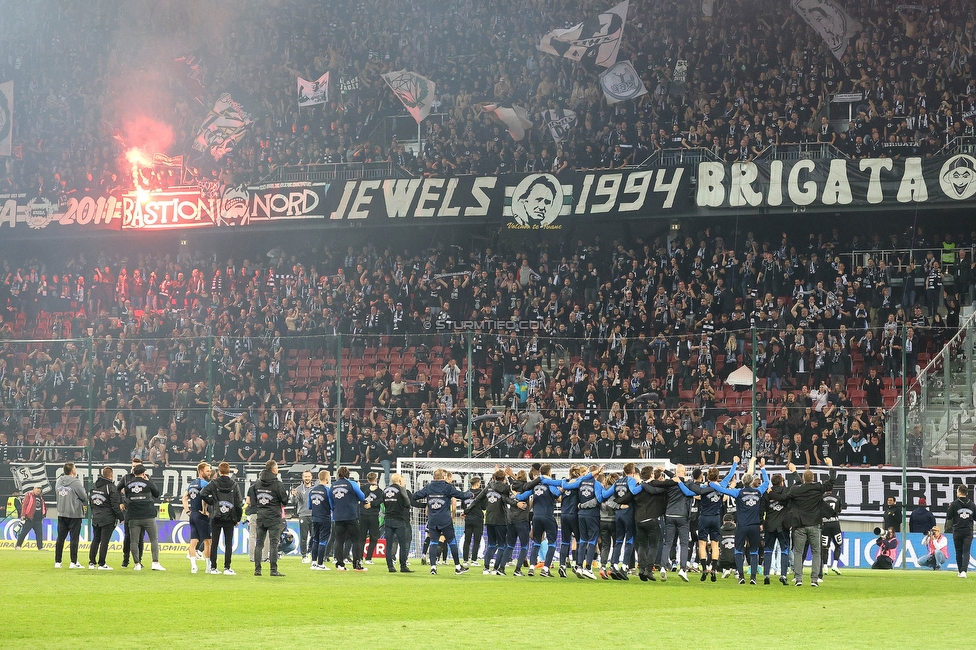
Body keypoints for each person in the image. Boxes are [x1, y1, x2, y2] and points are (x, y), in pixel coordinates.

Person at [710, 457, 770, 584]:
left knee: (738, 550)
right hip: (754, 526)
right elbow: (767, 482)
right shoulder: (758, 491)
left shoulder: (738, 492)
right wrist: (763, 468)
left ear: (742, 482)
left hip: (742, 526)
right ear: (752, 481)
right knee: (754, 551)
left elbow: (722, 489)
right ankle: (753, 578)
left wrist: (711, 484)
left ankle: (741, 576)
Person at [783, 457, 835, 587]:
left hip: (799, 526)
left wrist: (794, 472)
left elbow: (785, 498)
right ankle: (814, 580)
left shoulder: (796, 490)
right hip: (815, 525)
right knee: (816, 552)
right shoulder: (817, 488)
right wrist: (831, 466)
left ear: (803, 479)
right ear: (813, 479)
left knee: (798, 553)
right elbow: (830, 482)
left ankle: (798, 579)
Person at [412, 468, 473, 575]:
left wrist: (427, 504)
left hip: (432, 520)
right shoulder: (447, 487)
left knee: (434, 542)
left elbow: (416, 496)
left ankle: (433, 568)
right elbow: (462, 495)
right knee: (452, 542)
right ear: (443, 477)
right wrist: (471, 494)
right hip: (445, 520)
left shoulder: (429, 487)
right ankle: (458, 567)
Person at [519, 463, 563, 577]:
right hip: (548, 516)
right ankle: (545, 568)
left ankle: (532, 568)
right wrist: (563, 488)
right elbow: (557, 494)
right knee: (553, 543)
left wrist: (515, 494)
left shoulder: (535, 485)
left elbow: (522, 496)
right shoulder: (550, 484)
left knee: (536, 542)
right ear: (549, 472)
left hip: (536, 517)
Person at [248, 459, 289, 577]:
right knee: (273, 544)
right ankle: (273, 570)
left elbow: (254, 500)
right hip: (274, 517)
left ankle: (257, 570)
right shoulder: (278, 484)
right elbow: (285, 501)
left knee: (259, 543)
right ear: (274, 469)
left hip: (261, 516)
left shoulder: (257, 483)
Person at [200, 462, 243, 575]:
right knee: (228, 542)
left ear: (219, 471)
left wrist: (212, 504)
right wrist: (237, 518)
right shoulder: (234, 484)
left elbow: (203, 493)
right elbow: (239, 502)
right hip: (230, 517)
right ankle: (227, 567)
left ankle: (213, 567)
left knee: (215, 542)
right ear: (228, 472)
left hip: (216, 516)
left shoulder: (214, 483)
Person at [124, 464, 165, 571]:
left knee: (134, 541)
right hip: (148, 516)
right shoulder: (147, 483)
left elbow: (127, 498)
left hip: (133, 517)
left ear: (134, 473)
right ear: (143, 473)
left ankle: (137, 564)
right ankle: (155, 562)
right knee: (154, 540)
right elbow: (157, 494)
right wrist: (148, 481)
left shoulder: (128, 485)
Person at [330, 466, 367, 571]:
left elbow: (331, 502)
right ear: (348, 474)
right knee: (356, 540)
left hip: (338, 517)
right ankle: (357, 565)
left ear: (338, 474)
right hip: (351, 516)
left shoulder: (333, 486)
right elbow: (362, 497)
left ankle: (340, 564)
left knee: (339, 540)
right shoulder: (352, 484)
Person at [88, 467, 123, 570]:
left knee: (96, 539)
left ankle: (91, 562)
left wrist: (95, 512)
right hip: (107, 518)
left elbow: (91, 501)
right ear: (111, 475)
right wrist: (121, 517)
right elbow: (114, 505)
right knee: (104, 541)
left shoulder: (94, 486)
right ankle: (102, 563)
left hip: (96, 517)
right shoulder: (111, 487)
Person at [54, 462, 88, 568]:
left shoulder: (58, 481)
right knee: (74, 539)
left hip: (61, 512)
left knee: (60, 538)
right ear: (73, 470)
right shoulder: (76, 482)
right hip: (74, 514)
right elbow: (84, 497)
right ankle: (73, 562)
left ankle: (58, 562)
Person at [761, 471, 791, 586]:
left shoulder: (767, 493)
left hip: (770, 525)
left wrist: (761, 522)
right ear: (782, 482)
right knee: (784, 550)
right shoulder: (786, 491)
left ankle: (766, 575)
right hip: (783, 526)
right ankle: (783, 575)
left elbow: (762, 508)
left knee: (768, 549)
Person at [182, 462, 211, 574]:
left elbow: (184, 498)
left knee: (193, 542)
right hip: (201, 515)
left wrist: (187, 510)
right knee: (208, 541)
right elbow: (204, 496)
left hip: (193, 514)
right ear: (200, 471)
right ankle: (208, 567)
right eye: (207, 471)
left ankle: (194, 567)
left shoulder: (191, 484)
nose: (209, 473)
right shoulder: (204, 484)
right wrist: (204, 511)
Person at [382, 473, 413, 573]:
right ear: (399, 481)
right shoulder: (401, 489)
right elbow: (407, 504)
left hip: (388, 519)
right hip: (399, 519)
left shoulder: (385, 490)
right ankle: (403, 566)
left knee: (389, 544)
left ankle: (390, 566)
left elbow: (384, 503)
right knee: (403, 544)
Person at [117, 458, 145, 568]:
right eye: (133, 466)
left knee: (140, 538)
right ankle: (125, 559)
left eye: (137, 467)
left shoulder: (146, 479)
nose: (135, 468)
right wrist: (120, 502)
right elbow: (117, 490)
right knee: (128, 536)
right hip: (129, 511)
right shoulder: (126, 478)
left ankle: (138, 560)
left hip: (142, 512)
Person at [945, 484, 975, 578]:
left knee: (958, 551)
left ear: (959, 492)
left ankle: (959, 570)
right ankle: (964, 571)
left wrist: (949, 508)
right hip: (968, 530)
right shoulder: (972, 504)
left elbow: (949, 516)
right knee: (966, 551)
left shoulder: (954, 504)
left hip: (957, 530)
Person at [308, 470, 333, 571]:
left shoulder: (312, 490)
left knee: (315, 539)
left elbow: (309, 506)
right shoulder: (327, 491)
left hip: (315, 518)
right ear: (327, 478)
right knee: (323, 541)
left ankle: (313, 563)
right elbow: (331, 505)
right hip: (324, 518)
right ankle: (320, 564)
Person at [819, 487, 845, 580]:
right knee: (838, 545)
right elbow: (840, 510)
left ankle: (825, 566)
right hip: (835, 524)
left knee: (825, 546)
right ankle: (835, 565)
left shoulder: (821, 497)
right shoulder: (837, 498)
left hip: (825, 524)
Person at [359, 472, 384, 564]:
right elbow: (381, 500)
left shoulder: (363, 488)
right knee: (374, 538)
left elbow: (360, 498)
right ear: (376, 479)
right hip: (373, 516)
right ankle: (368, 558)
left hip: (363, 515)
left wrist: (369, 502)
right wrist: (373, 504)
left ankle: (360, 557)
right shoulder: (379, 491)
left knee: (362, 537)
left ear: (367, 479)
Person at [461, 477, 484, 570]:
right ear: (478, 483)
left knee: (467, 540)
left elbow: (463, 506)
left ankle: (465, 560)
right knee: (476, 540)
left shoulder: (466, 493)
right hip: (478, 519)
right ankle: (474, 560)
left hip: (468, 519)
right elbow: (484, 506)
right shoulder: (481, 493)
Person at [292, 470, 314, 564]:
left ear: (311, 477)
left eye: (308, 476)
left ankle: (310, 551)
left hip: (314, 514)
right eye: (305, 476)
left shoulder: (315, 488)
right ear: (302, 477)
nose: (307, 478)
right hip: (303, 515)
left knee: (314, 535)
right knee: (304, 537)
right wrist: (293, 496)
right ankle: (304, 555)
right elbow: (294, 502)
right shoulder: (299, 489)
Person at [15, 486, 46, 550]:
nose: (39, 490)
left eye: (40, 489)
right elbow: (24, 505)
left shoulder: (40, 497)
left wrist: (43, 514)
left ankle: (40, 547)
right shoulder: (29, 495)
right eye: (37, 488)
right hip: (29, 518)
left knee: (39, 534)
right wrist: (23, 515)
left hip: (38, 519)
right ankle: (18, 545)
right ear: (34, 489)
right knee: (24, 533)